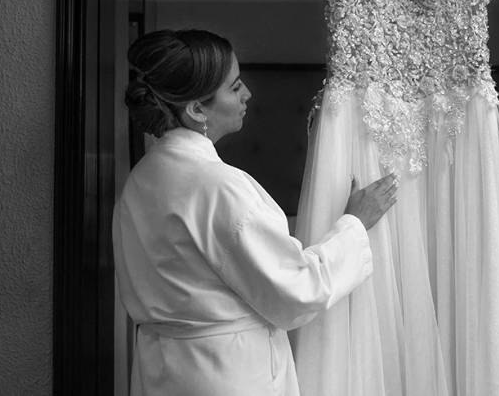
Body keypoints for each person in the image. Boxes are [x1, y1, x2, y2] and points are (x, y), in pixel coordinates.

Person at [112, 29, 398, 396]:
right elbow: (295, 292)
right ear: (197, 109)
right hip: (228, 374)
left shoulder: (140, 180)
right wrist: (354, 224)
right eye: (233, 87)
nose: (247, 93)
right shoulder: (219, 187)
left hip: (162, 371)